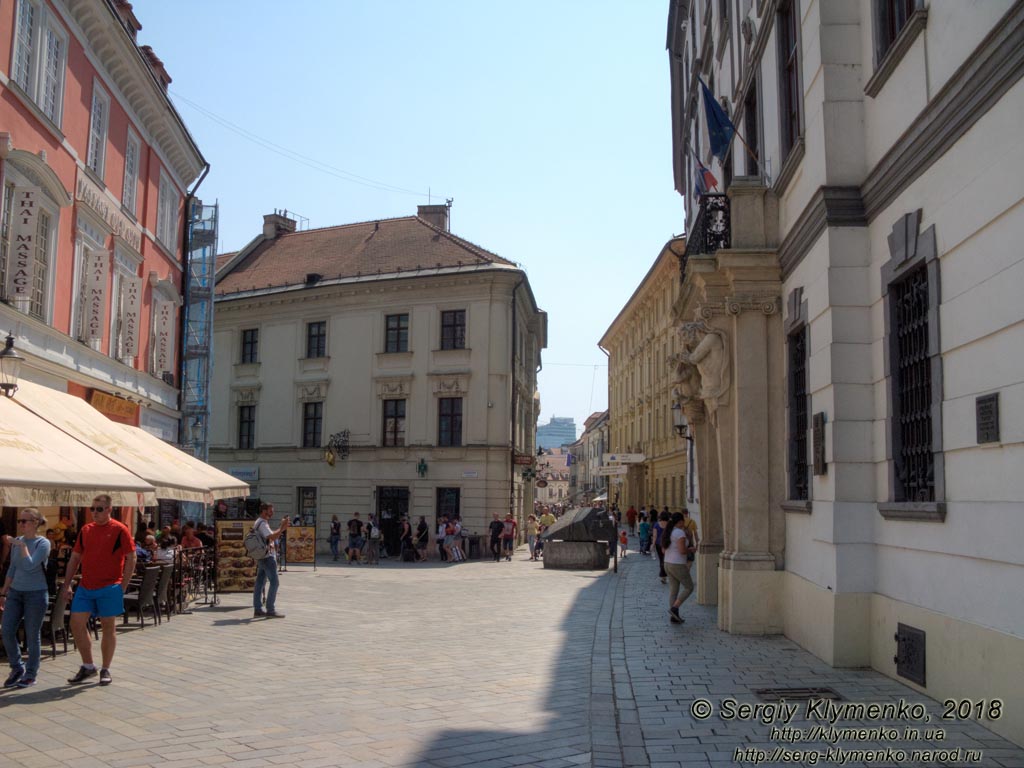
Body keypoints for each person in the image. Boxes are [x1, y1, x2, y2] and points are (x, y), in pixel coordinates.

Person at [62, 496, 136, 686]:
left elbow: (131, 557)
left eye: (100, 509)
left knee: (108, 627)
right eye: (93, 509)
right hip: (86, 586)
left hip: (110, 586)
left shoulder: (120, 529)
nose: (95, 512)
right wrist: (66, 583)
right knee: (76, 623)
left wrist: (122, 586)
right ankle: (88, 666)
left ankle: (105, 668)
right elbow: (75, 558)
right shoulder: (86, 530)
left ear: (109, 509)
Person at [1, 508, 51, 689]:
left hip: (36, 594)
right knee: (6, 631)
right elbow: (13, 569)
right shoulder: (18, 541)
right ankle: (17, 667)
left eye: (25, 521)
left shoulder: (43, 543)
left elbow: (30, 565)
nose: (21, 524)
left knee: (32, 636)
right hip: (15, 593)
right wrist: (3, 592)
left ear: (36, 522)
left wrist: (22, 547)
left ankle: (31, 674)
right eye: (20, 521)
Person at [252, 502, 289, 618]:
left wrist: (281, 527)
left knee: (260, 583)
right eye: (270, 511)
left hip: (262, 556)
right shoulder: (262, 523)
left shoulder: (260, 522)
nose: (272, 512)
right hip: (267, 557)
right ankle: (270, 610)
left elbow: (271, 535)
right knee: (274, 583)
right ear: (264, 511)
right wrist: (282, 527)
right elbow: (272, 537)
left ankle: (258, 609)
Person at [662, 511, 695, 624]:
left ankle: (674, 617)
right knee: (689, 587)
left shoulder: (669, 531)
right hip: (678, 564)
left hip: (667, 563)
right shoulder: (680, 533)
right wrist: (690, 550)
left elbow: (663, 549)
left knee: (673, 591)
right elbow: (682, 551)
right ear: (680, 521)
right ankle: (674, 608)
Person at [654, 511, 669, 584]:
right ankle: (666, 575)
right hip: (667, 544)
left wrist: (652, 544)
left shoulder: (656, 525)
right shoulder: (669, 525)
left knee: (661, 559)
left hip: (658, 544)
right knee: (666, 559)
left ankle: (663, 576)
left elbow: (655, 536)